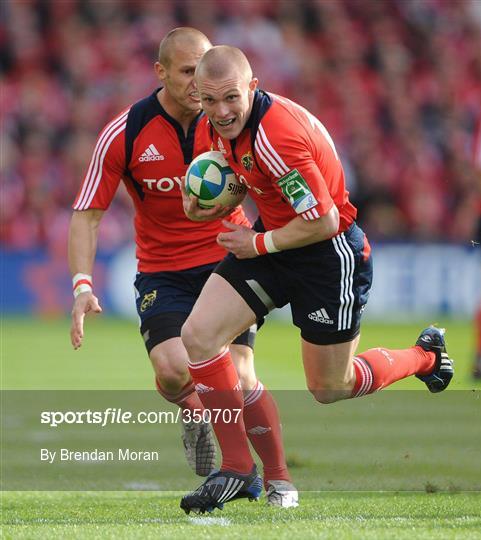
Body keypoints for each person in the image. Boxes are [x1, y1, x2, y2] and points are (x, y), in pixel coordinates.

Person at [179, 45, 455, 514]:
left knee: (331, 387)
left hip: (328, 254)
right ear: (198, 97)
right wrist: (205, 205)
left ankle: (425, 356)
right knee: (199, 336)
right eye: (209, 100)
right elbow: (239, 185)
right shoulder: (212, 128)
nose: (221, 112)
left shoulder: (277, 136)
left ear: (252, 86)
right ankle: (243, 469)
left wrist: (258, 245)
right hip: (274, 240)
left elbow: (324, 220)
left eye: (230, 98)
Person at [68, 29, 297, 508]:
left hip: (227, 257)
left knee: (239, 371)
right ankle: (196, 414)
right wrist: (81, 285)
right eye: (188, 72)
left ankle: (275, 479)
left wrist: (266, 242)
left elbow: (278, 179)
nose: (200, 84)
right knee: (173, 371)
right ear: (162, 72)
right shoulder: (126, 131)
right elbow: (88, 212)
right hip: (163, 270)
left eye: (206, 70)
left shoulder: (231, 120)